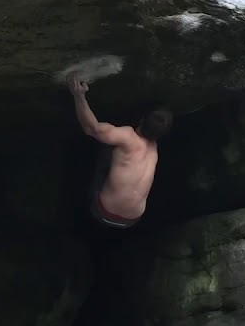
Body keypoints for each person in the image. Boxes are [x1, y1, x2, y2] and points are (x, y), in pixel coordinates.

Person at [68, 71, 172, 229]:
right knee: (118, 152)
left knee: (106, 147)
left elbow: (91, 129)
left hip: (103, 211)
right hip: (132, 219)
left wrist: (78, 95)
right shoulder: (154, 148)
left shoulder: (128, 136)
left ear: (142, 119)